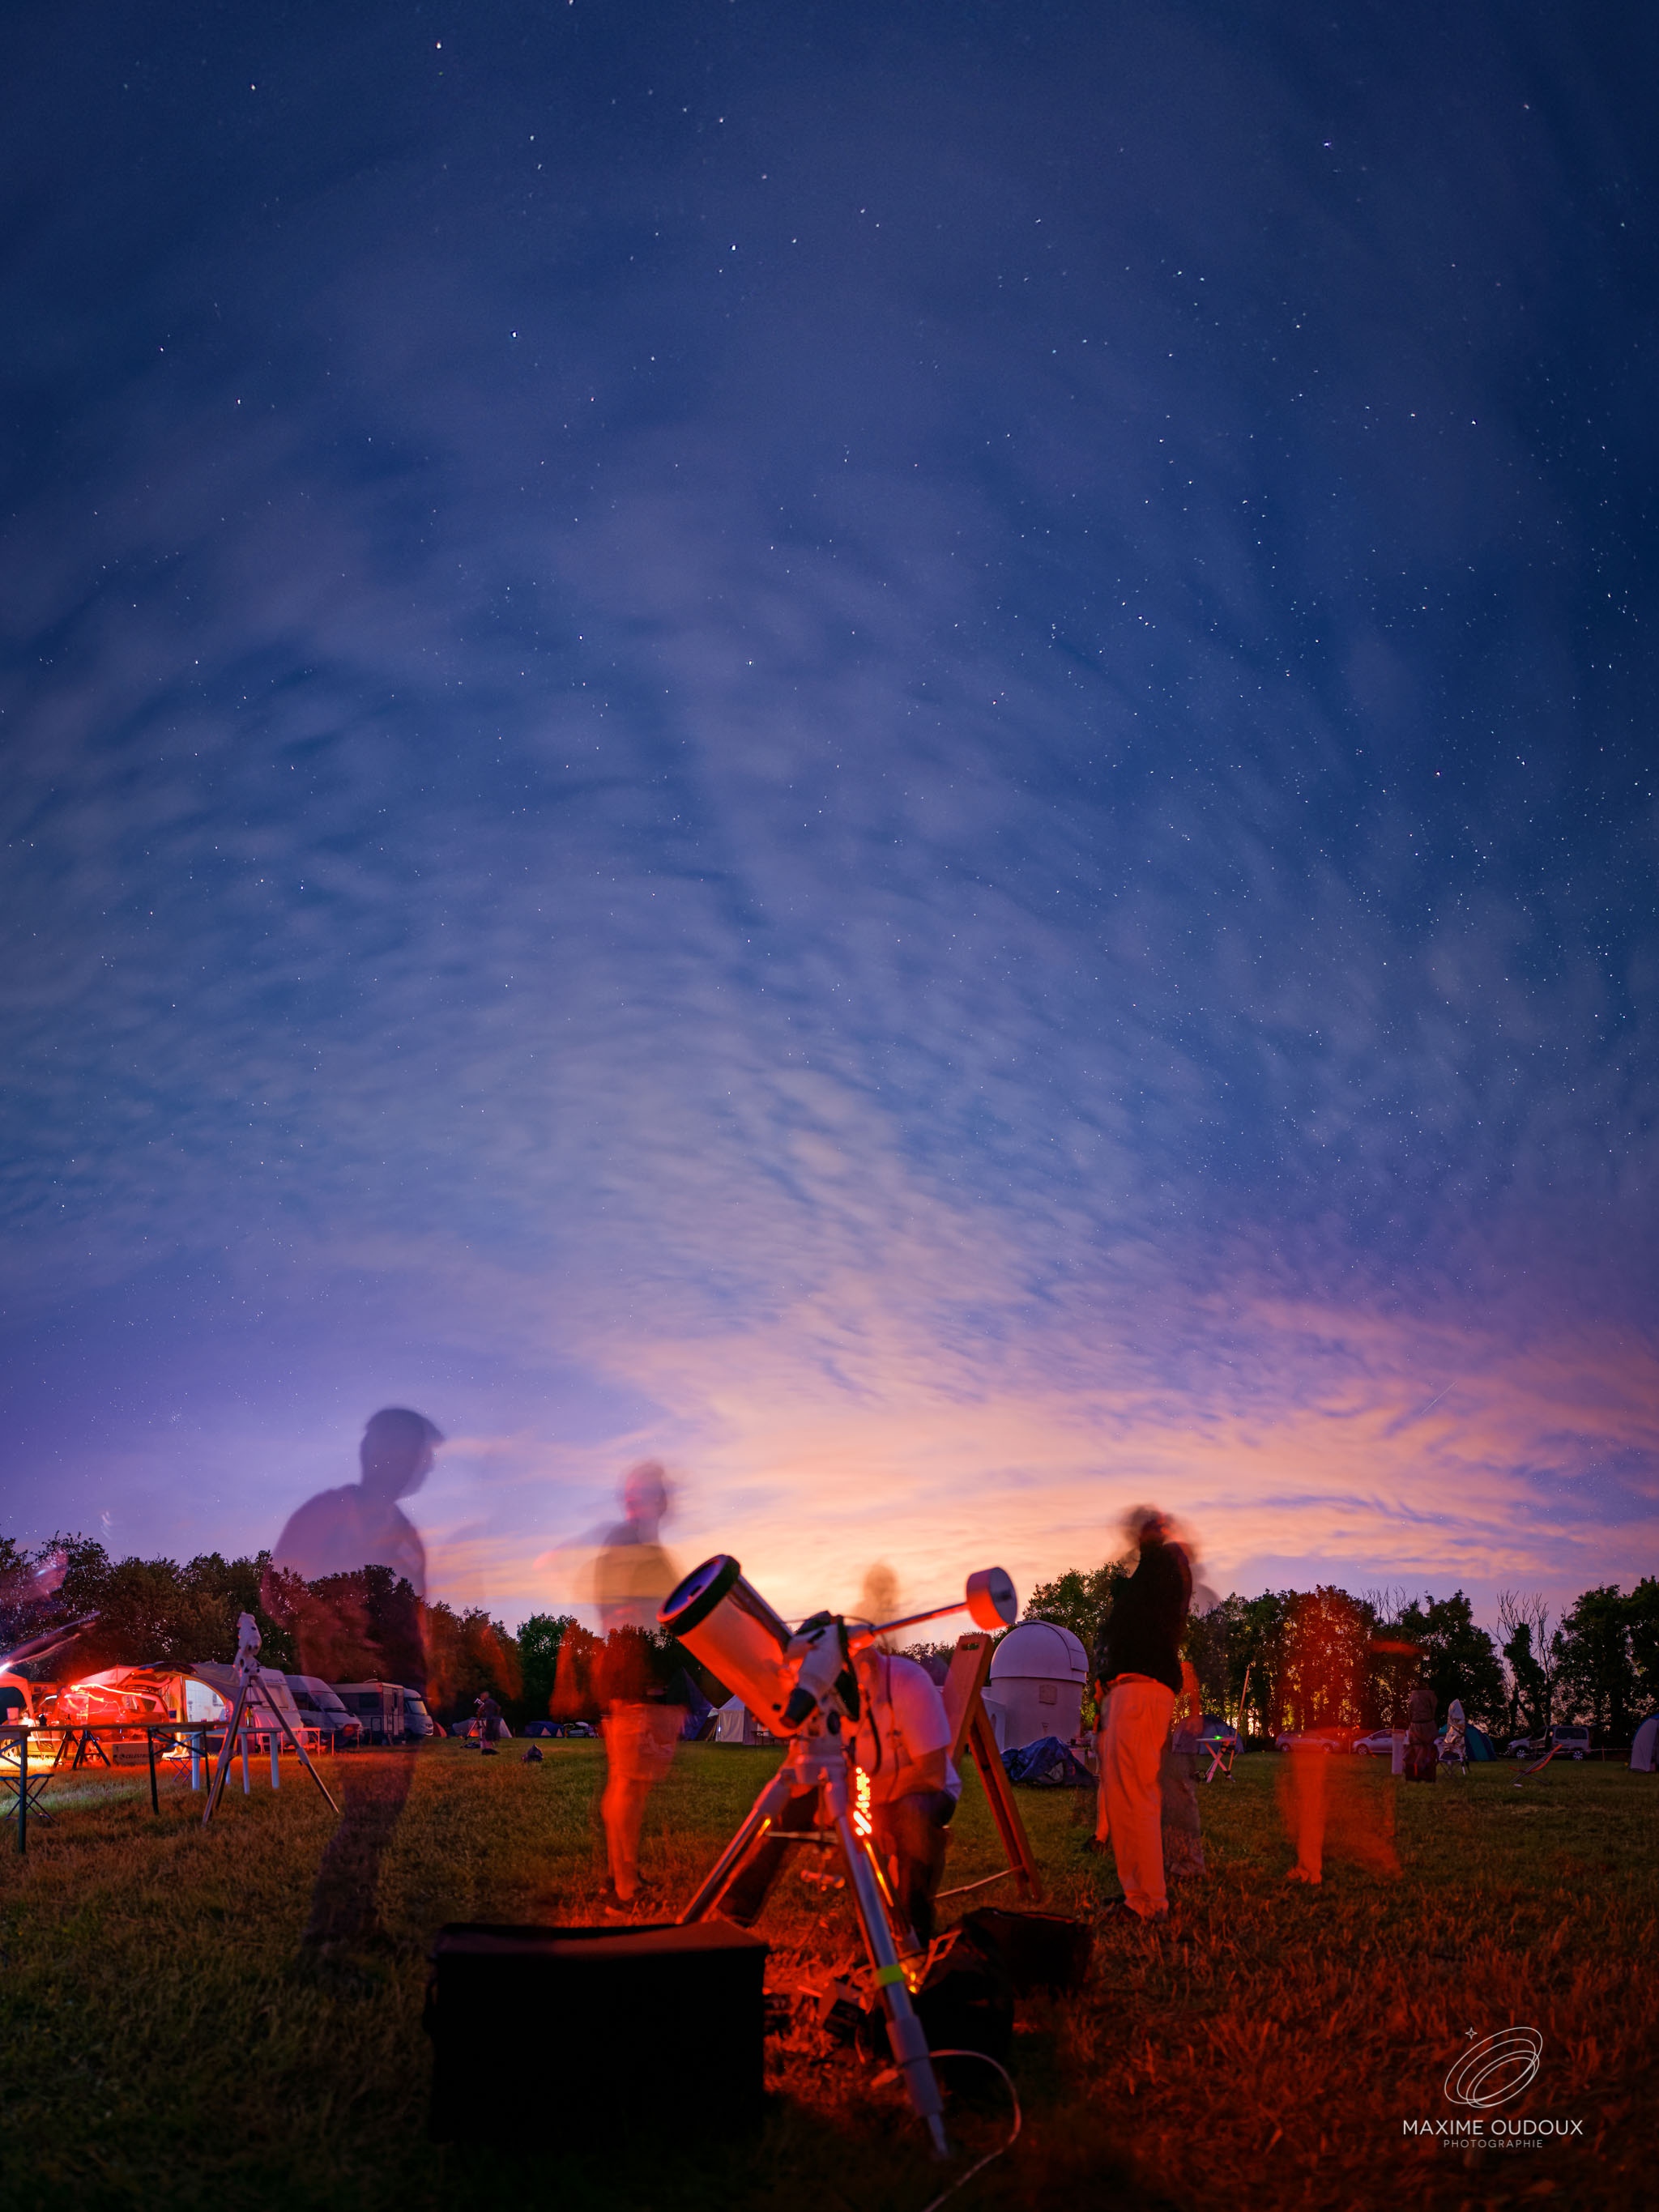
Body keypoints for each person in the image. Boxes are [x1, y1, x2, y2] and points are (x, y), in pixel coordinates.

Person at [1090, 1507, 1192, 1922]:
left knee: (1136, 1798)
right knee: (1123, 1799)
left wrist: (1152, 1542)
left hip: (1141, 1692)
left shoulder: (1165, 1568)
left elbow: (1143, 1616)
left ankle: (1149, 1901)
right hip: (1128, 1691)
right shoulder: (1148, 1578)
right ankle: (1138, 1894)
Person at [592, 1464, 684, 1913]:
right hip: (635, 1678)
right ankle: (623, 1889)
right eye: (640, 1492)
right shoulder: (627, 1545)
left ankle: (622, 1874)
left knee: (632, 1784)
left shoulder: (645, 1549)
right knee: (628, 1783)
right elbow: (621, 1614)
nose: (644, 1500)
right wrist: (648, 1675)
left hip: (640, 1676)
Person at [1159, 1658, 1205, 1883]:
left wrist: (1195, 1712)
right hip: (1157, 1728)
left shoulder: (1173, 1663)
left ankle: (1189, 1863)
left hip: (1177, 1736)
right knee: (1162, 1796)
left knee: (1179, 1793)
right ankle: (1169, 1857)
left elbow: (1188, 1675)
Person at [1406, 1676, 1439, 1783]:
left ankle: (1415, 1775)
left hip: (1415, 1725)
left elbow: (1409, 1711)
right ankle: (1426, 1775)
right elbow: (1434, 1709)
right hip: (1427, 1725)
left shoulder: (1412, 1695)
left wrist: (1412, 1721)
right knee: (1428, 1749)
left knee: (1416, 1749)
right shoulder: (1431, 1695)